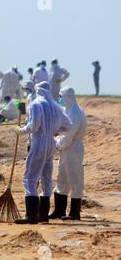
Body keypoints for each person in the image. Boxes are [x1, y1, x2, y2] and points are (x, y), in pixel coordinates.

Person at [14, 82, 72, 224]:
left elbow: (34, 126)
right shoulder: (55, 106)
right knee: (46, 177)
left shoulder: (36, 104)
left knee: (30, 177)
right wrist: (56, 131)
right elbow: (68, 125)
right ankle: (43, 215)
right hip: (51, 142)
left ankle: (31, 215)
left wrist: (20, 130)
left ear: (37, 90)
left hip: (39, 141)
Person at [50, 87, 87, 221]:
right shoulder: (68, 110)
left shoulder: (76, 112)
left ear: (66, 97)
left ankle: (74, 213)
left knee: (75, 179)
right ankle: (59, 211)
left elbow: (69, 135)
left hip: (73, 149)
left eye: (61, 96)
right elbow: (63, 129)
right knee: (62, 179)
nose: (59, 99)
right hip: (66, 149)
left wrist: (56, 144)